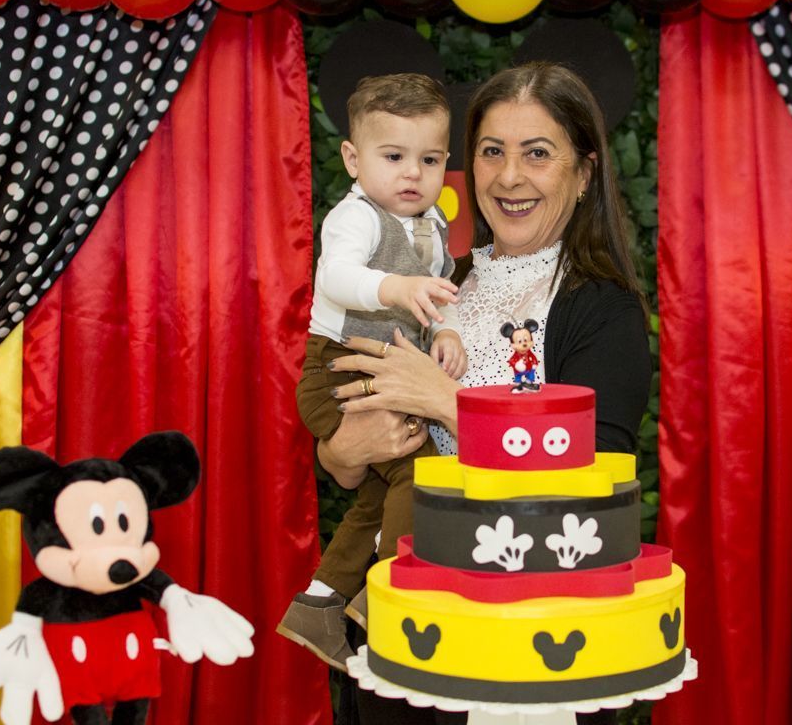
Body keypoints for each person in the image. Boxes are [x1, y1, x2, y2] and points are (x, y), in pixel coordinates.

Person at [321, 62, 651, 725]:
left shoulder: (604, 309)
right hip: (401, 618)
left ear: (584, 174)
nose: (508, 177)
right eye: (492, 152)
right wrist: (342, 453)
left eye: (538, 153)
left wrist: (445, 402)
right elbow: (352, 455)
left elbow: (596, 468)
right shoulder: (436, 284)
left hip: (529, 639)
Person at [277, 73, 468, 671]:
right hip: (337, 369)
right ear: (353, 160)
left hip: (385, 371)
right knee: (422, 472)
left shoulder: (433, 225)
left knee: (382, 494)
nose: (413, 173)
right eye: (393, 157)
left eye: (429, 159)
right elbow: (336, 277)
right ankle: (393, 589)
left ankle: (320, 602)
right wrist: (396, 287)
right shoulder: (354, 217)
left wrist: (445, 332)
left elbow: (437, 295)